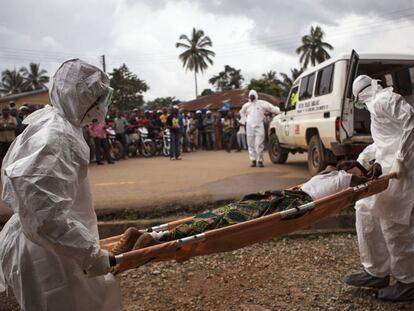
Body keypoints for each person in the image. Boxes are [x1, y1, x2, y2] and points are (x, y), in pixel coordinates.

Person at [0, 59, 122, 310]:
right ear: (80, 98)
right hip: (47, 254)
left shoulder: (61, 125)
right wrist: (89, 253)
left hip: (58, 246)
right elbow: (43, 216)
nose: (102, 106)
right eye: (97, 98)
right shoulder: (55, 137)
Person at [110, 161, 380, 255]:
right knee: (220, 221)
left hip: (284, 200)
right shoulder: (341, 177)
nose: (355, 171)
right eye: (354, 168)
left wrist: (366, 171)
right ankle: (155, 238)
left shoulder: (335, 177)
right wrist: (370, 169)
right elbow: (367, 178)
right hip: (285, 201)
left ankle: (153, 237)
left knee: (220, 218)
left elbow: (365, 180)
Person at [343, 75, 414, 301]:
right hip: (387, 171)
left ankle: (408, 281)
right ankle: (376, 271)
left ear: (360, 95)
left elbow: (411, 122)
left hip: (402, 173)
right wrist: (364, 158)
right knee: (365, 210)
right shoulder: (376, 107)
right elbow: (385, 140)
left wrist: (403, 158)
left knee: (395, 223)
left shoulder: (385, 99)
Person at [240, 89, 280, 167]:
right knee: (250, 144)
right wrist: (244, 121)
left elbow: (271, 108)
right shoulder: (246, 105)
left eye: (253, 96)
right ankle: (253, 160)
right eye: (250, 96)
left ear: (256, 96)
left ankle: (260, 160)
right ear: (249, 96)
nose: (251, 97)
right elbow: (241, 112)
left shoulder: (262, 103)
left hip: (259, 126)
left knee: (259, 144)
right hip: (249, 126)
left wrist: (280, 111)